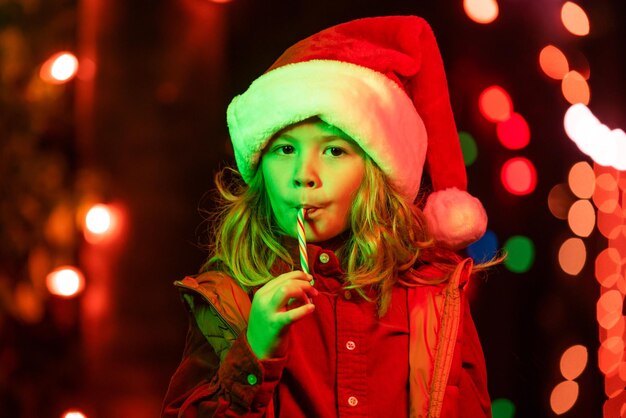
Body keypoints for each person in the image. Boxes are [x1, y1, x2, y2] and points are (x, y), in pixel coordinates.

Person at [162, 15, 494, 418]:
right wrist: (254, 353)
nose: (304, 174)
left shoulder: (435, 296)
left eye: (334, 151)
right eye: (285, 149)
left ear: (377, 171)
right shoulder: (230, 296)